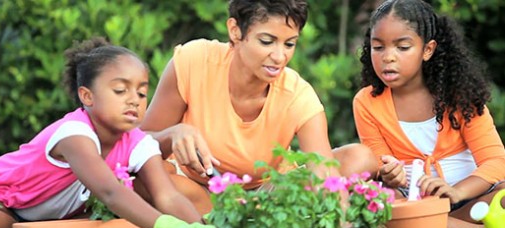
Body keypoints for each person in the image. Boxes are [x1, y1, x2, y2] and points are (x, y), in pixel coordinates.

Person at [0, 37, 223, 228]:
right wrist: (163, 227)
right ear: (87, 96)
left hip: (49, 219)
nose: (134, 99)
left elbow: (167, 196)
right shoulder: (74, 133)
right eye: (120, 90)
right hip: (2, 202)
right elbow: (109, 191)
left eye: (142, 93)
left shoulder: (139, 142)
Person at [140, 0, 378, 214]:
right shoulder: (194, 61)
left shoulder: (297, 94)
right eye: (267, 41)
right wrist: (174, 134)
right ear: (235, 31)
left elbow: (323, 172)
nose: (279, 56)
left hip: (267, 193)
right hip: (195, 188)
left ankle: (246, 217)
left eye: (289, 44)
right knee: (144, 176)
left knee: (359, 157)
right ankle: (228, 218)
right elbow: (137, 147)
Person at [353, 0, 505, 228]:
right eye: (378, 47)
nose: (388, 57)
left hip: (471, 197)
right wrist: (390, 174)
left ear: (428, 50)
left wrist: (457, 192)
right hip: (411, 200)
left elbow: (496, 161)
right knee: (375, 197)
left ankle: (436, 226)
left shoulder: (459, 94)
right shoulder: (366, 102)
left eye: (402, 47)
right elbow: (378, 162)